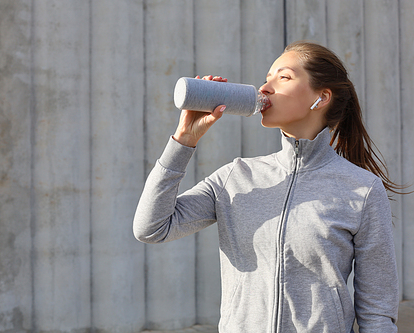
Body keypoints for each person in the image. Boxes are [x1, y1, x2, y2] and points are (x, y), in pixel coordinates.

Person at [133, 41, 402, 332]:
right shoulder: (235, 177)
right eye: (267, 77)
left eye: (283, 77)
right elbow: (151, 228)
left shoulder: (362, 190)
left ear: (321, 97)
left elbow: (377, 311)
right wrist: (183, 140)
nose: (265, 87)